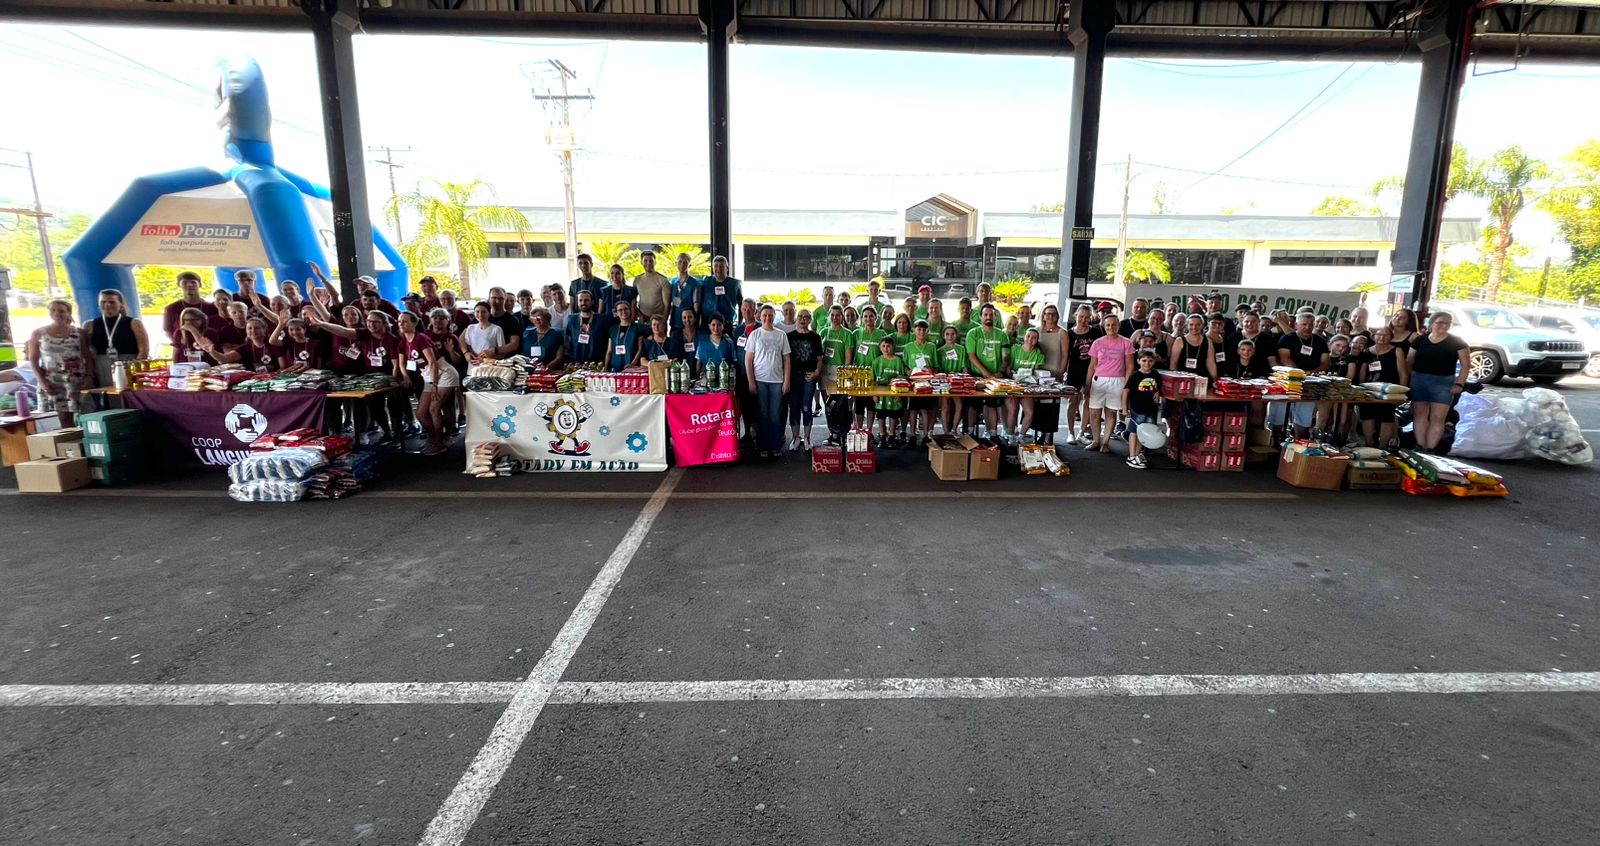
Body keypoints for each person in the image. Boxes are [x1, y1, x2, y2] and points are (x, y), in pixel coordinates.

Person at [1407, 311, 1472, 452]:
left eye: (1448, 323)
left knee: (1438, 417)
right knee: (1419, 415)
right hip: (1419, 379)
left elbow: (1466, 364)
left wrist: (1459, 383)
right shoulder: (1420, 340)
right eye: (1440, 322)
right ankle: (1420, 446)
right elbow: (1409, 361)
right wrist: (1407, 380)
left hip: (1443, 382)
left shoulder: (1457, 342)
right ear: (1432, 323)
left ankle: (1430, 448)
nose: (1444, 325)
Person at [395, 311, 452, 455]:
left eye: (405, 321)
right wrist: (405, 376)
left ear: (414, 323)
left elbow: (432, 362)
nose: (401, 324)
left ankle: (440, 443)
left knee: (434, 409)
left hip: (443, 374)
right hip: (427, 375)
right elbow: (401, 363)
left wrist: (434, 385)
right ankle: (434, 438)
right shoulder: (403, 342)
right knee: (420, 413)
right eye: (400, 321)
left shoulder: (421, 338)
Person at [27, 299, 92, 423]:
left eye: (61, 311)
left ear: (68, 313)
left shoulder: (79, 333)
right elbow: (33, 359)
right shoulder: (38, 333)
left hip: (75, 380)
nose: (57, 313)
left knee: (83, 416)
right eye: (53, 310)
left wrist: (89, 376)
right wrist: (42, 381)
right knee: (62, 419)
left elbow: (87, 356)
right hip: (52, 381)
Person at [744, 304, 792, 458]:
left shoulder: (781, 335)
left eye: (770, 315)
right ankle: (763, 446)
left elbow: (787, 359)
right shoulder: (755, 335)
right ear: (759, 316)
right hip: (760, 381)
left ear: (774, 316)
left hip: (777, 381)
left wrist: (786, 381)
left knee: (775, 414)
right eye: (764, 315)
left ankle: (776, 446)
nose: (767, 318)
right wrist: (751, 382)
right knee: (763, 414)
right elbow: (748, 360)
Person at [1084, 313, 1134, 454]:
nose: (1111, 327)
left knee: (1111, 413)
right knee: (1094, 412)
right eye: (1108, 325)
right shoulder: (1097, 343)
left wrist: (1126, 385)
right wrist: (1087, 384)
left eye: (1114, 325)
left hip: (1117, 381)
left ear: (1118, 325)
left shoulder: (1126, 343)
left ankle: (1105, 442)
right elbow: (1092, 365)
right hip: (1099, 380)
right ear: (1104, 326)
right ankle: (1096, 440)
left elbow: (1130, 366)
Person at [1275, 312, 1331, 436]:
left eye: (1310, 325)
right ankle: (1275, 439)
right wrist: (1300, 373)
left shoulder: (1319, 341)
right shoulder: (1287, 338)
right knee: (1279, 415)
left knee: (1303, 417)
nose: (1307, 327)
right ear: (1296, 325)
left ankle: (1299, 440)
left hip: (1310, 382)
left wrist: (1312, 372)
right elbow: (1284, 358)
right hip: (1287, 381)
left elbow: (1326, 362)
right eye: (1304, 324)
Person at [1356, 326, 1408, 447]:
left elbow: (1403, 373)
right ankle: (1369, 443)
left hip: (1389, 390)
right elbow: (1363, 372)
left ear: (1391, 337)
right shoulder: (1367, 352)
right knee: (1367, 415)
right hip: (1369, 389)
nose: (1382, 338)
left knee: (1387, 417)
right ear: (1374, 336)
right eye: (1379, 335)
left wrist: (1402, 392)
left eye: (1386, 335)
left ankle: (1383, 446)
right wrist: (1360, 389)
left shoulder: (1397, 351)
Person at [85, 289, 148, 386]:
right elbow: (88, 350)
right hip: (102, 367)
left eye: (112, 302)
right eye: (103, 302)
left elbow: (144, 349)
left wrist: (135, 370)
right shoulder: (90, 325)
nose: (107, 305)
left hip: (128, 365)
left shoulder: (134, 323)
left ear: (121, 304)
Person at [966, 304, 1011, 439]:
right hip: (977, 375)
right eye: (985, 314)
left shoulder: (1002, 335)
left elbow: (1005, 357)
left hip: (996, 377)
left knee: (991, 404)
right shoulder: (973, 333)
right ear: (980, 317)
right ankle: (970, 432)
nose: (988, 317)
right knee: (973, 405)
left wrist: (1000, 371)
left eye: (991, 315)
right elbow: (971, 356)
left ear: (995, 317)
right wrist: (985, 372)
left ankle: (992, 433)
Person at [786, 309, 824, 451]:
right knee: (794, 407)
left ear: (810, 320)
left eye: (806, 317)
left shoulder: (815, 337)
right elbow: (785, 358)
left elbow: (820, 359)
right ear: (797, 318)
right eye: (800, 316)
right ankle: (795, 437)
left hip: (809, 377)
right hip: (793, 377)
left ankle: (807, 438)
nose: (803, 319)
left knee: (807, 407)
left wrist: (817, 372)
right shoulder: (789, 336)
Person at [427, 308, 468, 436]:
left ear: (448, 321)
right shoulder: (426, 335)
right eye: (435, 318)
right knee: (430, 405)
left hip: (447, 374)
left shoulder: (451, 337)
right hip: (429, 374)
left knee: (447, 404)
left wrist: (451, 351)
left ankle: (450, 429)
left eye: (441, 318)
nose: (438, 321)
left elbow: (459, 360)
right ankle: (433, 430)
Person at [1121, 350, 1163, 469]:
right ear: (1138, 361)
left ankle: (1138, 453)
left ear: (1154, 361)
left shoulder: (1156, 374)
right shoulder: (1135, 376)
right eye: (1144, 361)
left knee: (1145, 433)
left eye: (1150, 361)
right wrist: (1125, 408)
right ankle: (1131, 456)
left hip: (1151, 409)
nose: (1147, 364)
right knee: (1134, 431)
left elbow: (1158, 388)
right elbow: (1126, 391)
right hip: (1137, 409)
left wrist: (1158, 393)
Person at [1065, 305, 1099, 443]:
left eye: (1086, 317)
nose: (1083, 320)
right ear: (1076, 317)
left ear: (1090, 318)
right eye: (1081, 317)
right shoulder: (1069, 334)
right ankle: (1070, 432)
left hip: (1092, 369)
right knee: (1073, 400)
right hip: (1074, 370)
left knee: (1088, 399)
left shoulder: (1096, 332)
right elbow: (1065, 354)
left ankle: (1082, 432)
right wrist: (1064, 372)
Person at [903, 319, 940, 444]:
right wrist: (908, 371)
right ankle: (913, 434)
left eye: (924, 329)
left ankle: (925, 434)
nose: (921, 332)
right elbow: (904, 364)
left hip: (927, 383)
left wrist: (931, 369)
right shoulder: (908, 347)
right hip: (914, 383)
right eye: (919, 329)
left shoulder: (931, 347)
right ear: (914, 330)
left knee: (925, 410)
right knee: (913, 410)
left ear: (927, 331)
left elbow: (936, 366)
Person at [852, 306, 887, 430]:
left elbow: (884, 353)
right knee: (859, 404)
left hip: (874, 374)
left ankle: (869, 430)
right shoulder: (856, 333)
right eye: (865, 316)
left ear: (876, 318)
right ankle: (859, 430)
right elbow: (851, 352)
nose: (868, 319)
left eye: (871, 316)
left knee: (871, 404)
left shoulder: (881, 334)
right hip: (859, 374)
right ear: (862, 318)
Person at [870, 335, 907, 447]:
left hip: (894, 392)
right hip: (880, 393)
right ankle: (882, 435)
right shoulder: (876, 361)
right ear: (880, 347)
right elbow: (872, 380)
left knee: (893, 415)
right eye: (883, 346)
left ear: (893, 347)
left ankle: (892, 435)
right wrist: (874, 394)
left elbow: (901, 378)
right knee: (881, 415)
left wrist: (900, 394)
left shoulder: (898, 361)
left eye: (888, 346)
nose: (886, 348)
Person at [1010, 327, 1046, 441]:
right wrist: (1012, 374)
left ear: (1037, 340)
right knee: (1013, 409)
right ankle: (1010, 435)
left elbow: (1036, 372)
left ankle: (1022, 435)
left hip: (1028, 387)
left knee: (1029, 412)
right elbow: (1008, 368)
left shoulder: (1038, 354)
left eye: (1034, 338)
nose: (1030, 339)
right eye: (1028, 336)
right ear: (1024, 337)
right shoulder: (1015, 349)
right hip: (1013, 386)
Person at [162, 271, 219, 341]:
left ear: (200, 284)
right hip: (182, 346)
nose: (189, 285)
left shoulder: (211, 308)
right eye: (185, 282)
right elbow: (167, 330)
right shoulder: (171, 309)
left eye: (193, 282)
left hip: (209, 345)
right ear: (179, 285)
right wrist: (179, 342)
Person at [564, 290, 609, 366]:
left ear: (592, 301)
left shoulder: (602, 320)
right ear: (577, 302)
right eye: (580, 300)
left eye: (586, 300)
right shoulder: (571, 319)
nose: (583, 303)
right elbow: (568, 341)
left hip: (597, 363)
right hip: (576, 362)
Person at [937, 324, 968, 435]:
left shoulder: (961, 349)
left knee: (959, 406)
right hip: (944, 381)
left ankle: (954, 429)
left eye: (952, 334)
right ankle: (946, 432)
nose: (950, 336)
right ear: (943, 336)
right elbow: (938, 368)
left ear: (956, 335)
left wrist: (966, 378)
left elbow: (964, 367)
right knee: (945, 407)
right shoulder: (939, 351)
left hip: (957, 380)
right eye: (947, 334)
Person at [1169, 314, 1218, 383]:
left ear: (1202, 325)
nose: (1194, 327)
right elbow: (1173, 364)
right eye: (1191, 324)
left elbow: (1211, 364)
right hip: (1183, 381)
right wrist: (1175, 381)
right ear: (1187, 326)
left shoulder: (1208, 341)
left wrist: (1215, 380)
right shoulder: (1179, 341)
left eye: (1198, 325)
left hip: (1202, 380)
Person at [818, 305, 854, 396]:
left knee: (838, 397)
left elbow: (848, 357)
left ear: (842, 317)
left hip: (839, 369)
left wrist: (845, 373)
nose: (835, 318)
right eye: (832, 315)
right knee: (825, 393)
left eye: (838, 315)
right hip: (824, 368)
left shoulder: (847, 334)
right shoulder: (823, 332)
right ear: (829, 316)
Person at [700, 256, 741, 328]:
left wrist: (739, 324)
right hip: (708, 323)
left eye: (721, 266)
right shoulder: (706, 281)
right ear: (712, 268)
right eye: (716, 266)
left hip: (727, 322)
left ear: (727, 268)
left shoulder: (735, 284)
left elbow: (741, 305)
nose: (718, 269)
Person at [633, 250, 673, 324]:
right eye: (645, 261)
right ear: (641, 262)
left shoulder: (663, 280)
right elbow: (633, 301)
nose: (648, 263)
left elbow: (667, 305)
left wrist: (664, 321)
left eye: (651, 261)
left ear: (655, 262)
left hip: (659, 321)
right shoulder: (637, 280)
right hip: (643, 321)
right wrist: (639, 314)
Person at [606, 299, 645, 373]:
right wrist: (606, 368)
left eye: (626, 309)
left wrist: (632, 364)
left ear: (630, 311)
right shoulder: (613, 329)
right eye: (620, 310)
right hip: (615, 367)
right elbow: (609, 351)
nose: (623, 312)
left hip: (632, 367)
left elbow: (640, 349)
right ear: (616, 313)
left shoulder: (638, 328)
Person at [695, 314, 737, 382]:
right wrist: (698, 378)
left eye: (719, 325)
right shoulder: (702, 342)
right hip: (705, 380)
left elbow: (733, 363)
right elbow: (698, 362)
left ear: (723, 326)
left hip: (724, 381)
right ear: (709, 326)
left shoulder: (729, 343)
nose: (716, 328)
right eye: (713, 325)